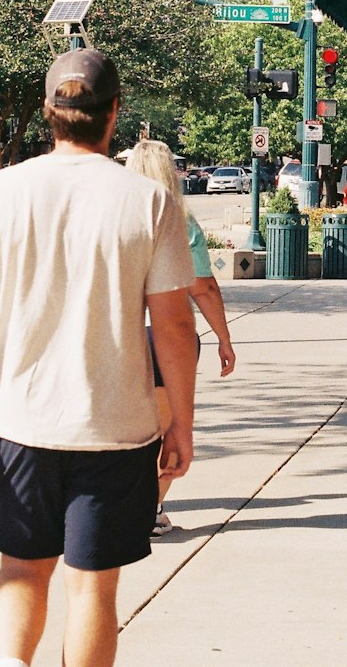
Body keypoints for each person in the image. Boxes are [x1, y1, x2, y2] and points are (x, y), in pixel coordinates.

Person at [0, 49, 197, 667]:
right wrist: (181, 421)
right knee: (92, 585)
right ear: (114, 112)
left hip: (24, 426)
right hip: (116, 429)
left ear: (51, 112)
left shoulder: (0, 192)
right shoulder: (148, 201)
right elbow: (174, 325)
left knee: (21, 569)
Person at [124, 139, 235, 535]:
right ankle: (150, 509)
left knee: (126, 431)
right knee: (163, 430)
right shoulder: (179, 221)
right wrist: (223, 338)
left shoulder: (113, 217)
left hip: (121, 335)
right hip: (165, 338)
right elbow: (203, 287)